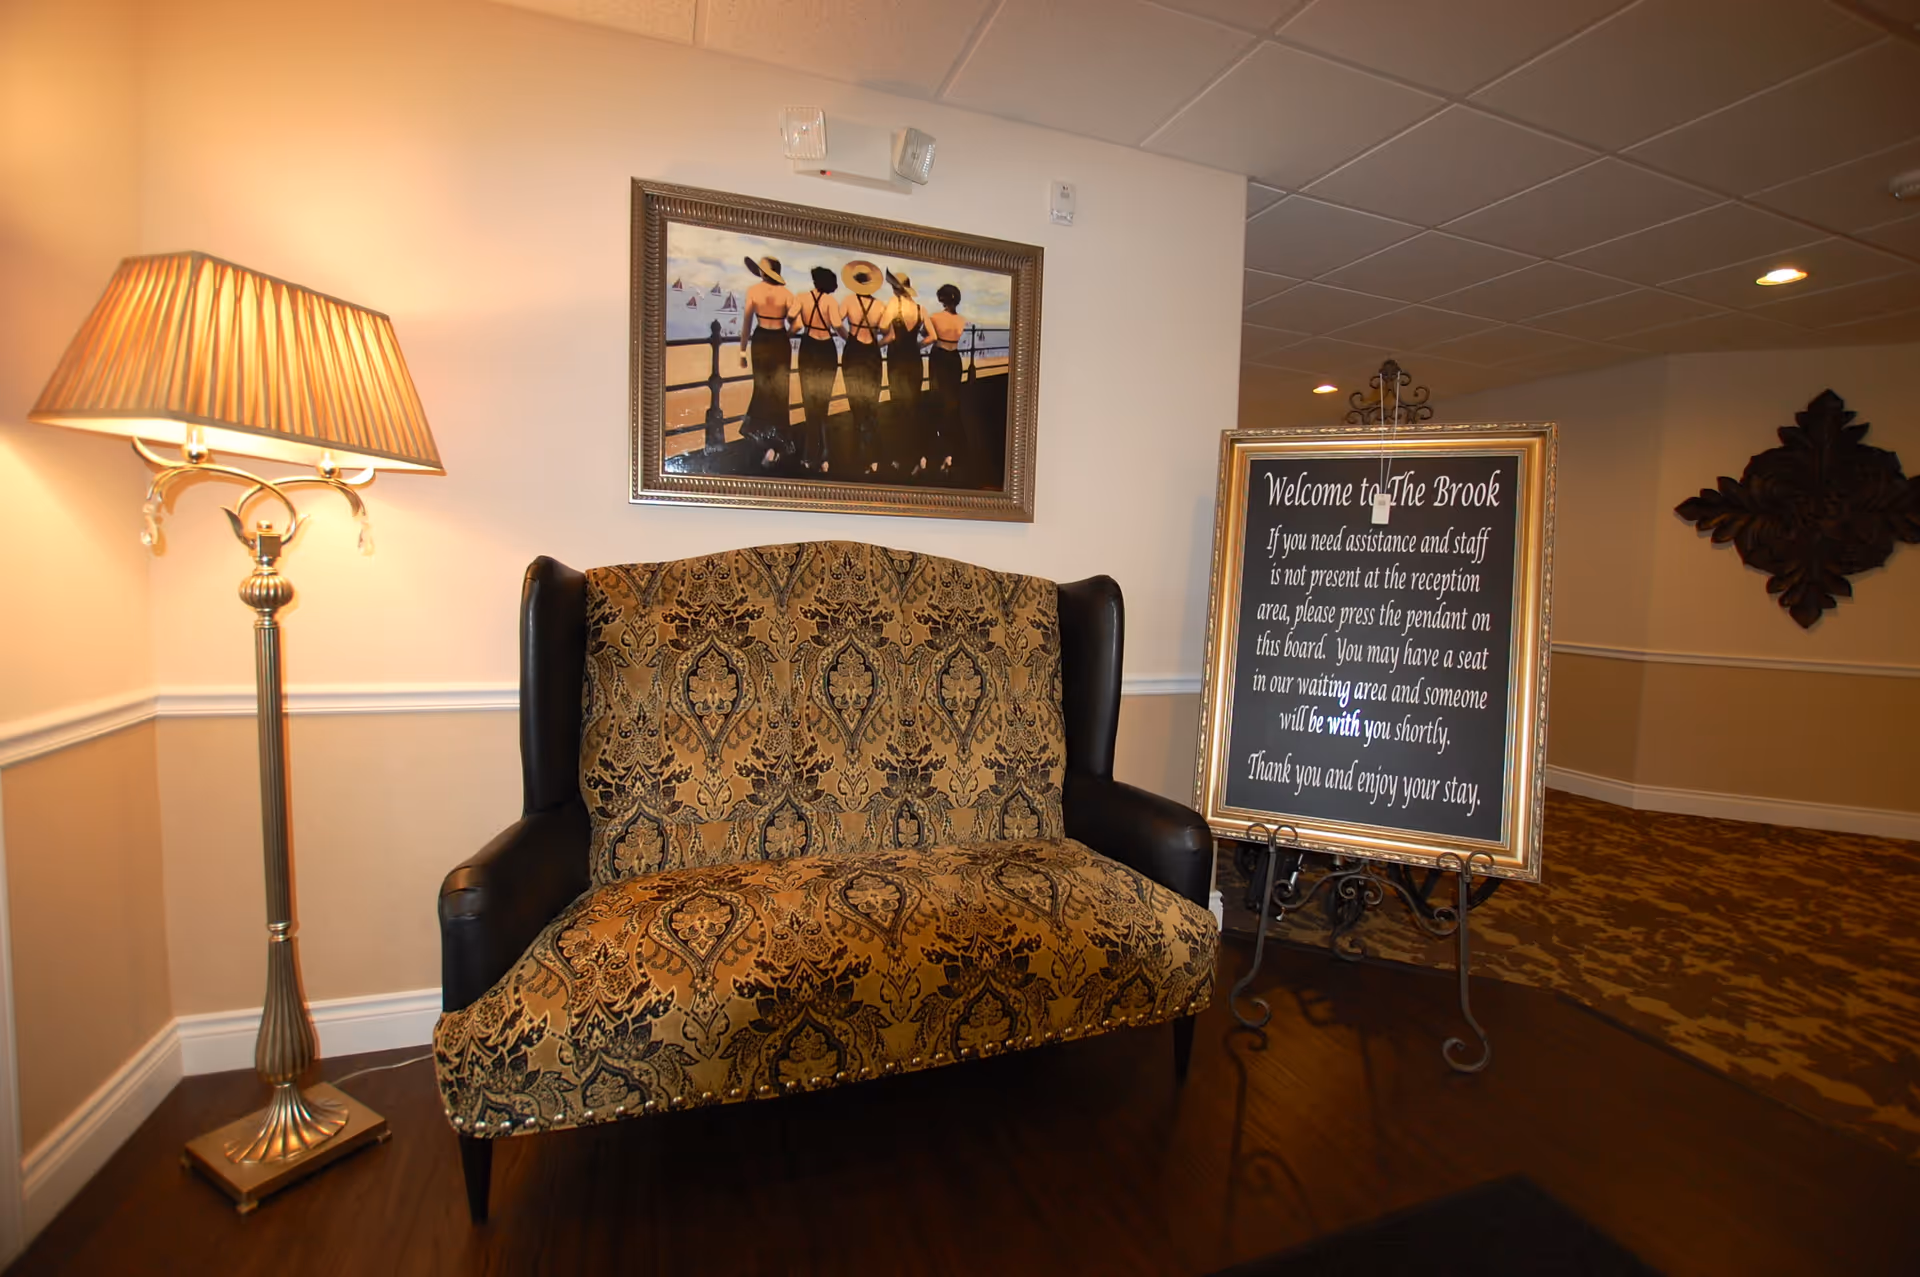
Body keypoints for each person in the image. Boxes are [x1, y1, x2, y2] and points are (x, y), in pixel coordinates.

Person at [739, 256, 794, 467]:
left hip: (761, 340)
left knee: (762, 387)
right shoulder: (787, 294)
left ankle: (759, 435)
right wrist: (788, 332)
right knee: (780, 391)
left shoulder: (754, 291)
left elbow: (746, 322)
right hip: (780, 340)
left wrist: (742, 351)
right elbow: (795, 321)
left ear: (764, 272)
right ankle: (775, 445)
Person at [838, 259, 889, 475]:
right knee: (871, 405)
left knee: (856, 406)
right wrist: (876, 343)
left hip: (854, 353)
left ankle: (860, 458)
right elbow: (889, 332)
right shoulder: (880, 306)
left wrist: (849, 338)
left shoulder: (848, 301)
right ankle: (874, 458)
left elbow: (835, 322)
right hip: (872, 356)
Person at [790, 266, 843, 474]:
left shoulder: (802, 297)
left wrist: (793, 329)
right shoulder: (831, 302)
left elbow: (792, 319)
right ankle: (825, 458)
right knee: (823, 406)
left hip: (809, 348)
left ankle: (808, 457)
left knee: (809, 405)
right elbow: (838, 327)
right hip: (827, 349)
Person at [882, 270, 927, 475]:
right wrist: (917, 344)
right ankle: (917, 459)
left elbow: (884, 328)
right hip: (914, 361)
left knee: (899, 408)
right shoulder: (919, 308)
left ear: (896, 288)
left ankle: (900, 460)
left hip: (897, 360)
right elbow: (931, 336)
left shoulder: (894, 304)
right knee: (914, 408)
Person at [923, 283, 967, 479]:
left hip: (940, 357)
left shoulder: (934, 318)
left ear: (942, 299)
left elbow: (927, 336)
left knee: (937, 400)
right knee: (952, 403)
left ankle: (937, 449)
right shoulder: (962, 320)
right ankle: (955, 450)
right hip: (954, 358)